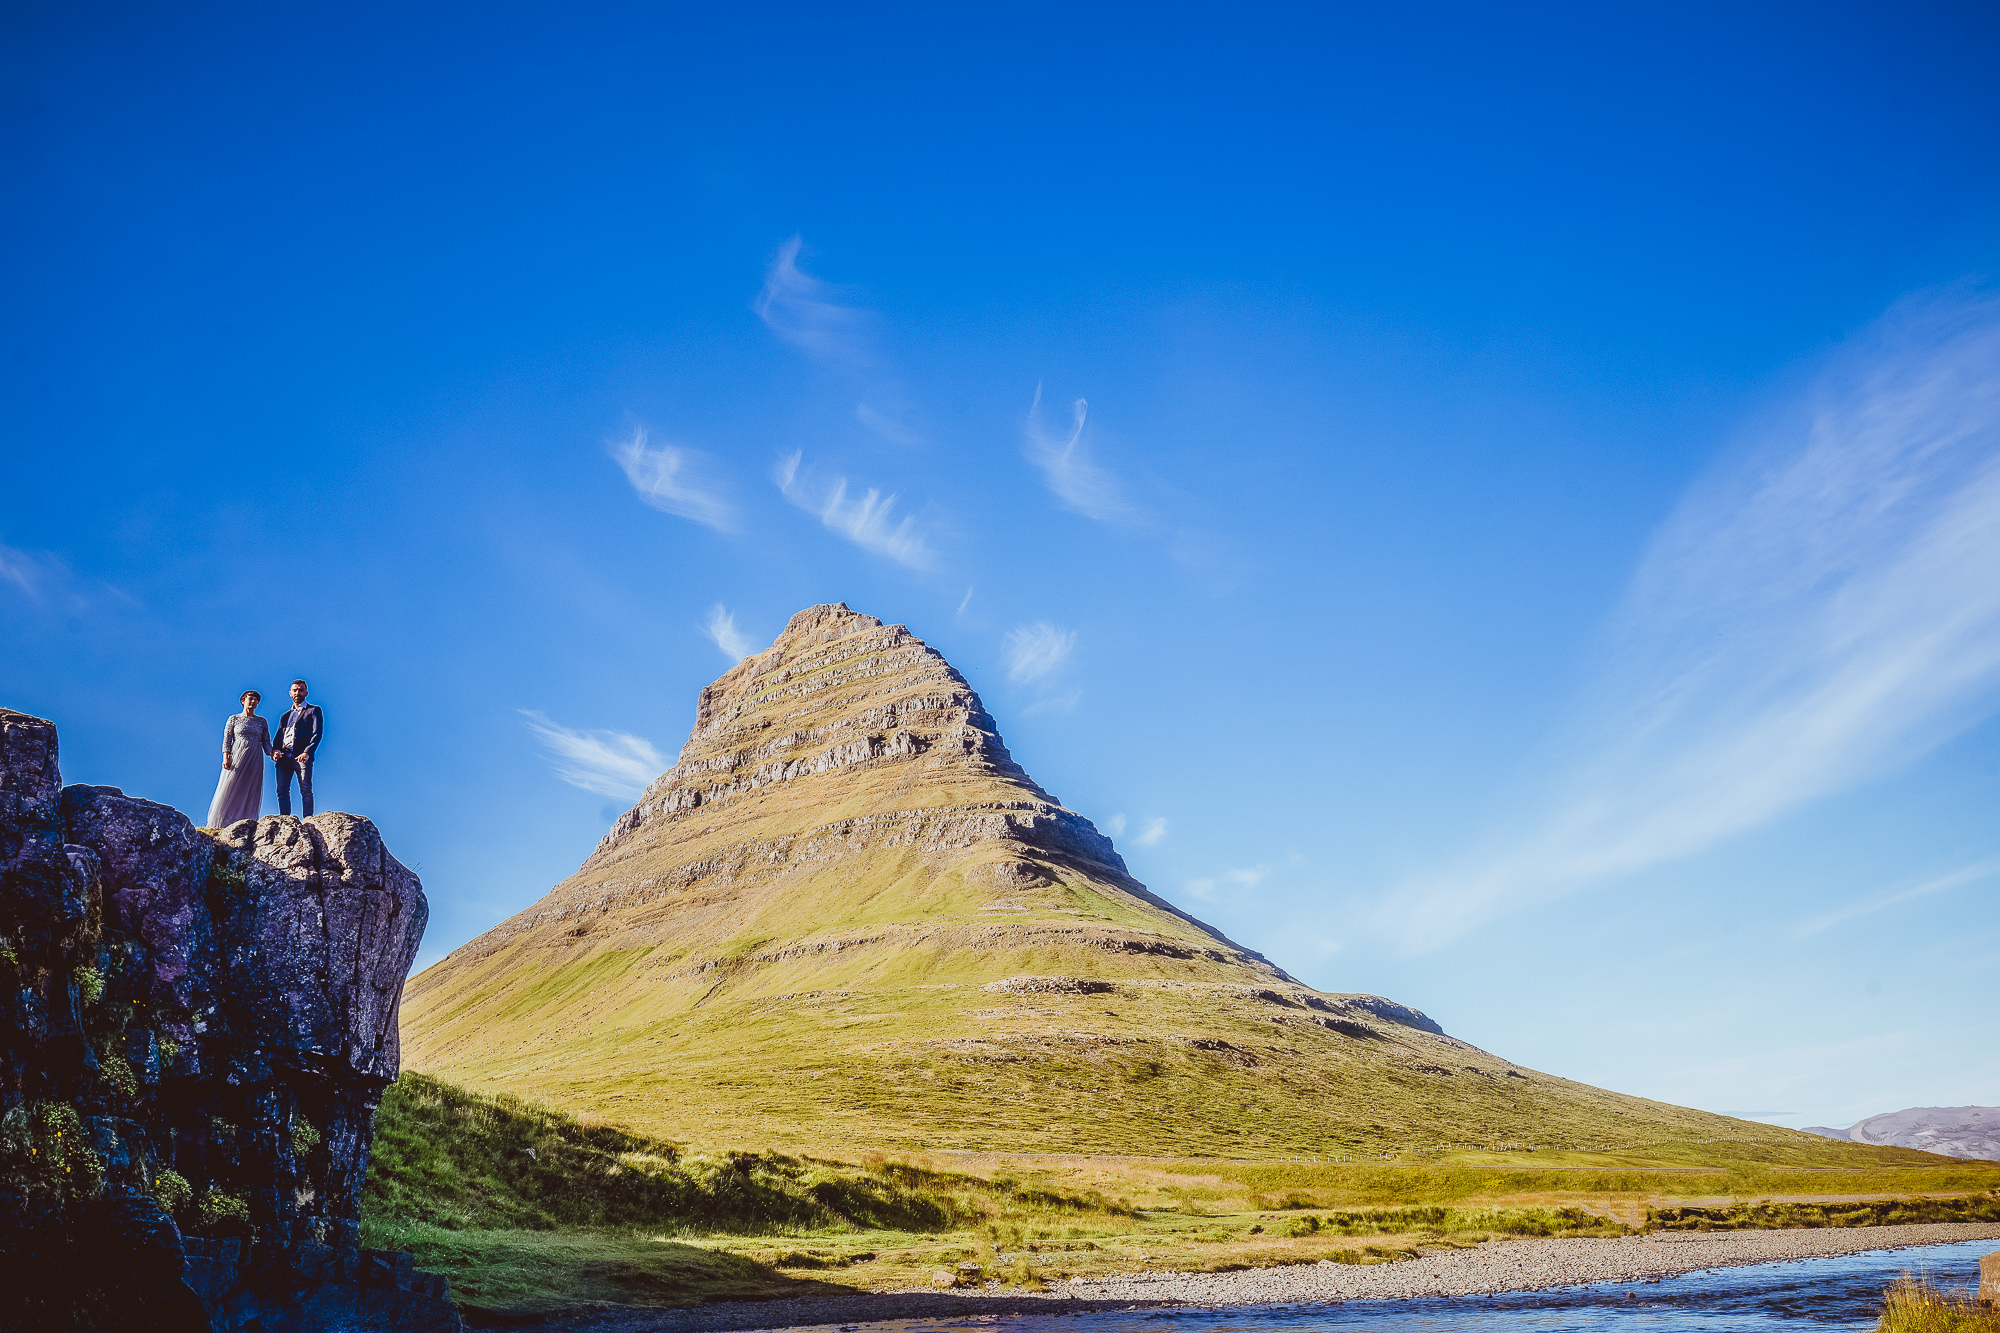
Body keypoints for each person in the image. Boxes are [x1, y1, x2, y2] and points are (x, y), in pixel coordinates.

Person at [205, 690, 271, 828]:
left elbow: (266, 743)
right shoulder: (233, 719)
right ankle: (221, 822)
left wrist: (273, 753)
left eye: (256, 700)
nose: (253, 702)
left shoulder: (262, 721)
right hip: (237, 755)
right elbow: (227, 739)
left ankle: (246, 820)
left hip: (255, 757)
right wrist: (226, 756)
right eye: (250, 699)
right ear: (243, 700)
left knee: (250, 788)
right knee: (230, 785)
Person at [272, 679, 323, 817]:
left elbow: (317, 734)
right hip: (283, 757)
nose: (297, 692)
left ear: (306, 692)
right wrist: (274, 751)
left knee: (305, 789)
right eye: (294, 690)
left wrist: (307, 752)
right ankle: (285, 819)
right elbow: (278, 736)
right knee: (282, 790)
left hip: (301, 756)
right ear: (290, 693)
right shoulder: (285, 716)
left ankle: (308, 819)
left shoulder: (313, 710)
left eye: (300, 690)